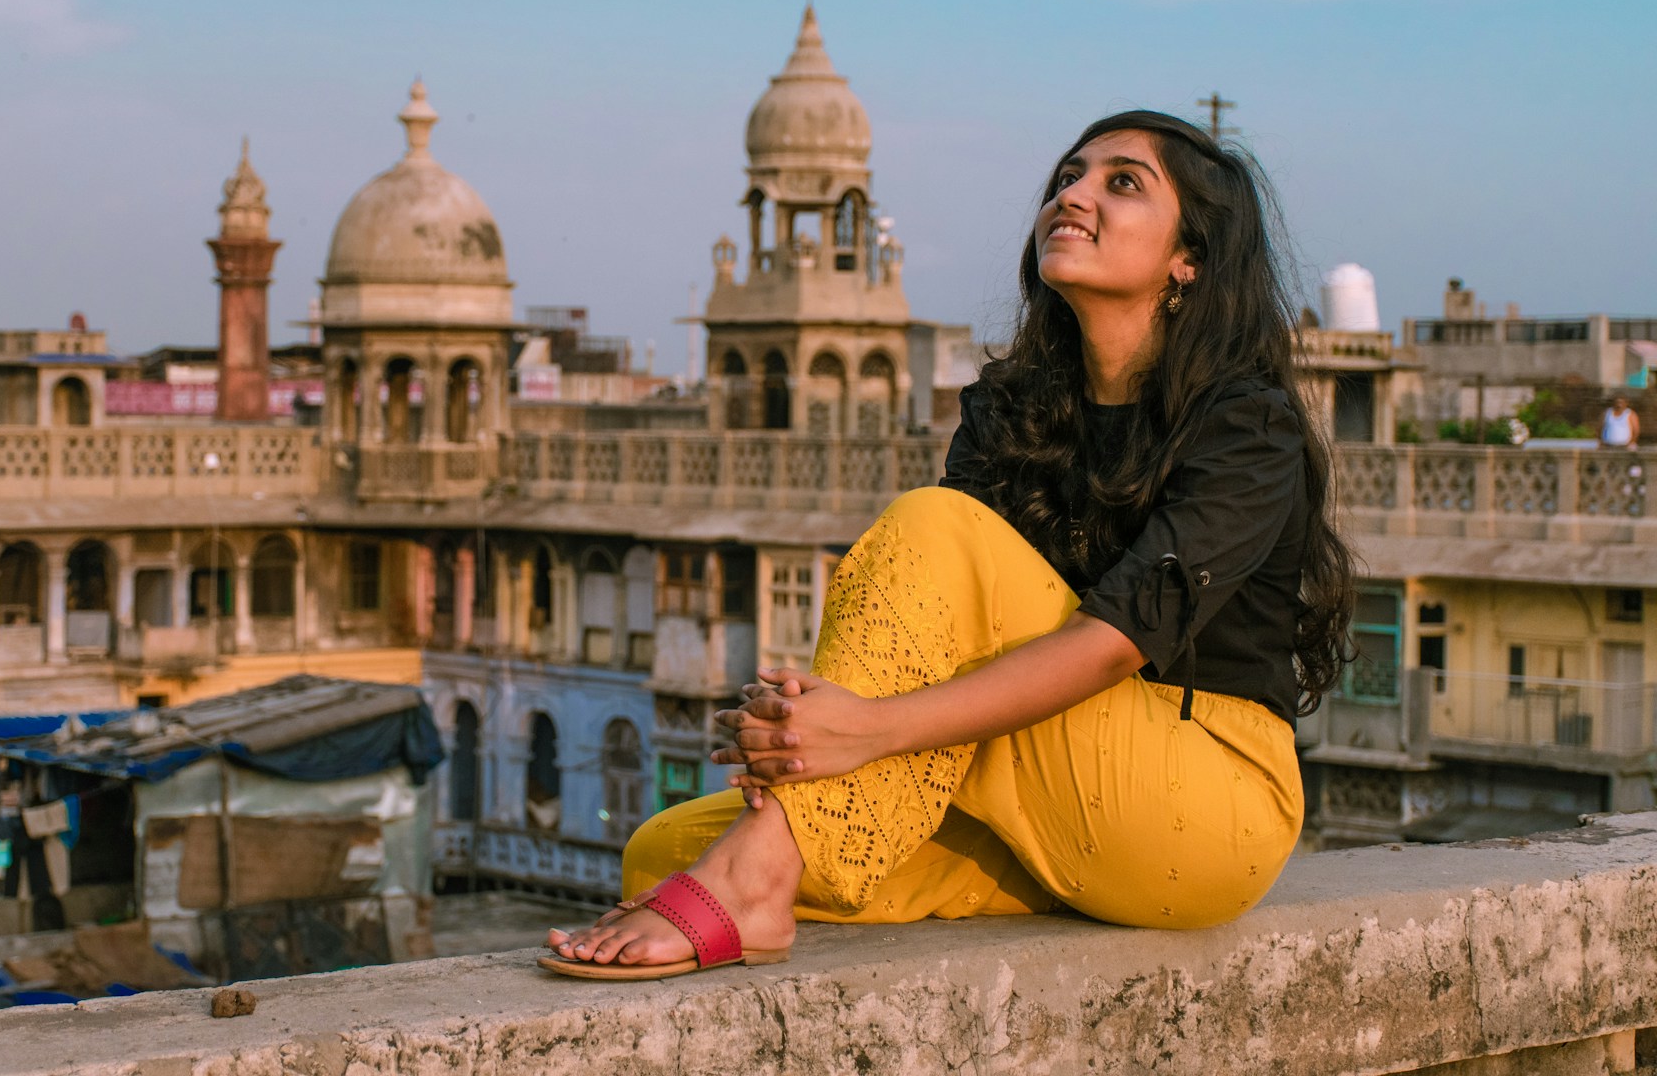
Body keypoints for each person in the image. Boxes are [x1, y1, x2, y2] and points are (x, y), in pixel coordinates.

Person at [542, 111, 1357, 980]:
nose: (1072, 195)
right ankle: (781, 874)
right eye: (1068, 177)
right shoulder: (1016, 410)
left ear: (1189, 258)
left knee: (933, 524)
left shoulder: (1246, 427)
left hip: (1199, 805)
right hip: (1053, 805)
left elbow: (1109, 646)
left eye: (1121, 182)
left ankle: (756, 874)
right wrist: (821, 721)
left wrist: (863, 729)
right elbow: (927, 631)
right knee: (663, 851)